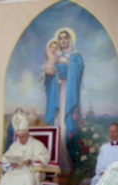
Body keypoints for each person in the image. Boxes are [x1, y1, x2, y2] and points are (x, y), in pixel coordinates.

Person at [43, 29, 84, 170]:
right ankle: (57, 161)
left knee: (67, 125)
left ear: (70, 39)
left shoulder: (76, 56)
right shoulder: (55, 55)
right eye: (60, 38)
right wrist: (51, 74)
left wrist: (67, 62)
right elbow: (48, 74)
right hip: (57, 91)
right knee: (57, 123)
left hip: (69, 91)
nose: (63, 41)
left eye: (65, 38)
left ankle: (68, 162)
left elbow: (78, 70)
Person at [0, 110, 50, 185]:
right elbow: (4, 159)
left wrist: (31, 160)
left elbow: (45, 156)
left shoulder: (37, 144)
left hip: (29, 170)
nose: (20, 139)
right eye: (19, 137)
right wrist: (10, 163)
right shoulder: (14, 145)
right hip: (15, 170)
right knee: (5, 178)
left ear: (27, 134)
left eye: (22, 137)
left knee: (27, 179)